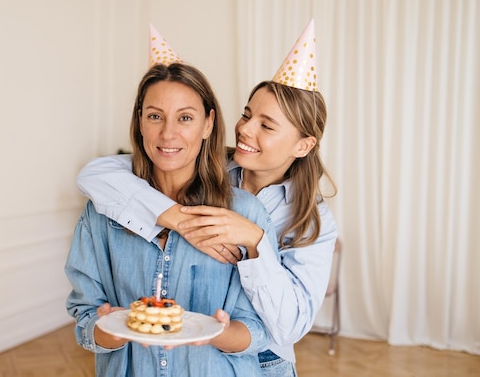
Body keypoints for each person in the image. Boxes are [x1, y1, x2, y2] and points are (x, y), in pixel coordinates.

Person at [75, 19, 338, 377]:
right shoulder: (200, 162)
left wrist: (253, 239)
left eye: (267, 125)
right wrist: (175, 217)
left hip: (263, 361)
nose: (245, 128)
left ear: (304, 145)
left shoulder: (310, 220)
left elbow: (288, 327)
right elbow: (97, 175)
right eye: (247, 114)